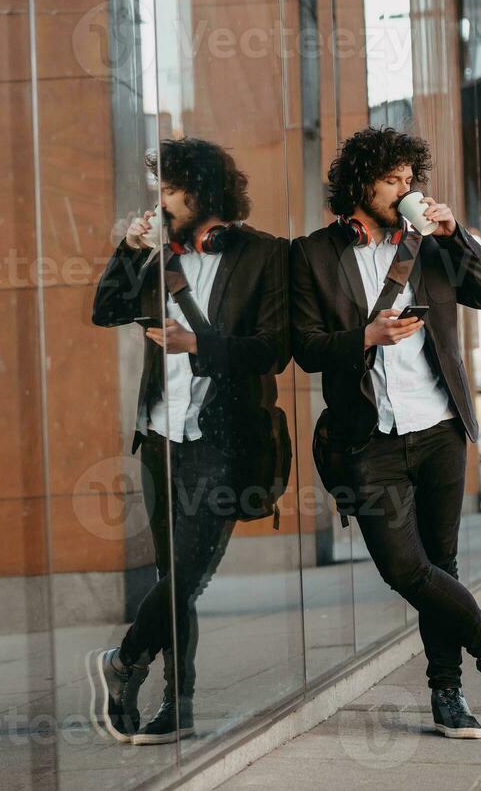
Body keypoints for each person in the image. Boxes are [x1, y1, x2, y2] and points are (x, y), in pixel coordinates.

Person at [289, 126, 481, 740]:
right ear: (360, 182)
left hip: (439, 428)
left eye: (409, 181)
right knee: (405, 567)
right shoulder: (313, 253)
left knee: (441, 562)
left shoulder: (429, 246)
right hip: (367, 438)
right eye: (393, 180)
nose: (405, 190)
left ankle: (447, 694)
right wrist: (364, 338)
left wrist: (456, 235)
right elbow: (305, 348)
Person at [88, 137, 289, 744]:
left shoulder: (265, 256)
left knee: (188, 576)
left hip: (220, 439)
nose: (163, 203)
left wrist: (200, 345)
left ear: (204, 194)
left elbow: (275, 351)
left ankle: (123, 662)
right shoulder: (158, 258)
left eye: (172, 191)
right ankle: (177, 706)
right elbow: (105, 310)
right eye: (160, 191)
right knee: (175, 578)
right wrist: (126, 249)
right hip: (158, 438)